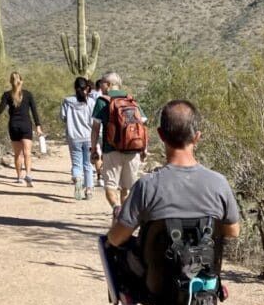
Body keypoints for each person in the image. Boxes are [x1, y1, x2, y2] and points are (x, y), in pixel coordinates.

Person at [106, 100, 240, 284]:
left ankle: (127, 304)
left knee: (109, 245)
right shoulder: (219, 183)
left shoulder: (147, 186)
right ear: (197, 137)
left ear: (161, 135)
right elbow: (233, 231)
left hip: (156, 284)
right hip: (203, 280)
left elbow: (116, 238)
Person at [91, 72, 147, 214]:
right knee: (127, 188)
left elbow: (95, 128)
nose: (100, 85)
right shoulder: (131, 100)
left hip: (111, 150)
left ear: (108, 85)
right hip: (133, 149)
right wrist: (144, 148)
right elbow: (143, 124)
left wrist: (93, 149)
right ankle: (125, 217)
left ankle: (116, 209)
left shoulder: (102, 101)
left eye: (102, 83)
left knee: (110, 185)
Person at [0, 71, 43, 187]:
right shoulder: (28, 94)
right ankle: (28, 174)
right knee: (27, 153)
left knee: (18, 154)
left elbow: (0, 110)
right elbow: (34, 111)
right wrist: (38, 126)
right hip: (26, 125)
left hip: (13, 126)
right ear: (21, 81)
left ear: (10, 82)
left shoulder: (7, 95)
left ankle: (19, 177)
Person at [60, 76, 96, 200]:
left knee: (76, 164)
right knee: (88, 164)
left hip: (74, 137)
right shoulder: (91, 102)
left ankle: (77, 179)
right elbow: (94, 120)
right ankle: (89, 190)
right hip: (89, 137)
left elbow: (63, 117)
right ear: (87, 88)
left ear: (75, 88)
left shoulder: (67, 101)